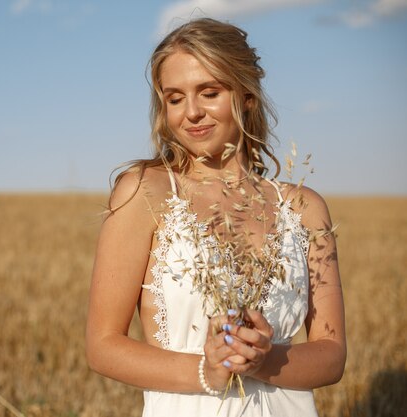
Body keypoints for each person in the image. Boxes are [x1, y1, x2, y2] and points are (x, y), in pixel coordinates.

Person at [85, 18, 346, 416]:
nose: (191, 112)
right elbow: (102, 346)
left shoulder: (305, 208)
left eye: (209, 92)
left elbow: (332, 356)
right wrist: (208, 371)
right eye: (174, 98)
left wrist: (264, 360)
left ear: (247, 97)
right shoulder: (144, 193)